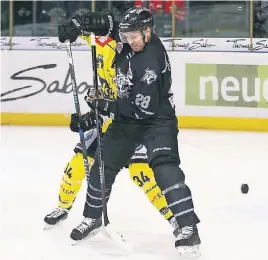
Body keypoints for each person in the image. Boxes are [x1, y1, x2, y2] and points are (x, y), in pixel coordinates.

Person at [67, 7, 201, 257]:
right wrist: (82, 24)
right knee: (102, 165)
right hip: (127, 118)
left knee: (164, 169)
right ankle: (92, 217)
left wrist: (103, 105)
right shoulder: (132, 38)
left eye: (134, 37)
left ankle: (188, 228)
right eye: (126, 36)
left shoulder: (150, 62)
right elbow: (109, 26)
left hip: (156, 120)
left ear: (148, 31)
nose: (129, 41)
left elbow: (141, 110)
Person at [43, 13, 180, 236]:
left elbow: (131, 107)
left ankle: (176, 219)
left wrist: (96, 114)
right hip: (111, 122)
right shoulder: (101, 42)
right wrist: (74, 26)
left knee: (141, 173)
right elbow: (93, 25)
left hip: (137, 123)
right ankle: (66, 208)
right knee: (78, 164)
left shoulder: (134, 58)